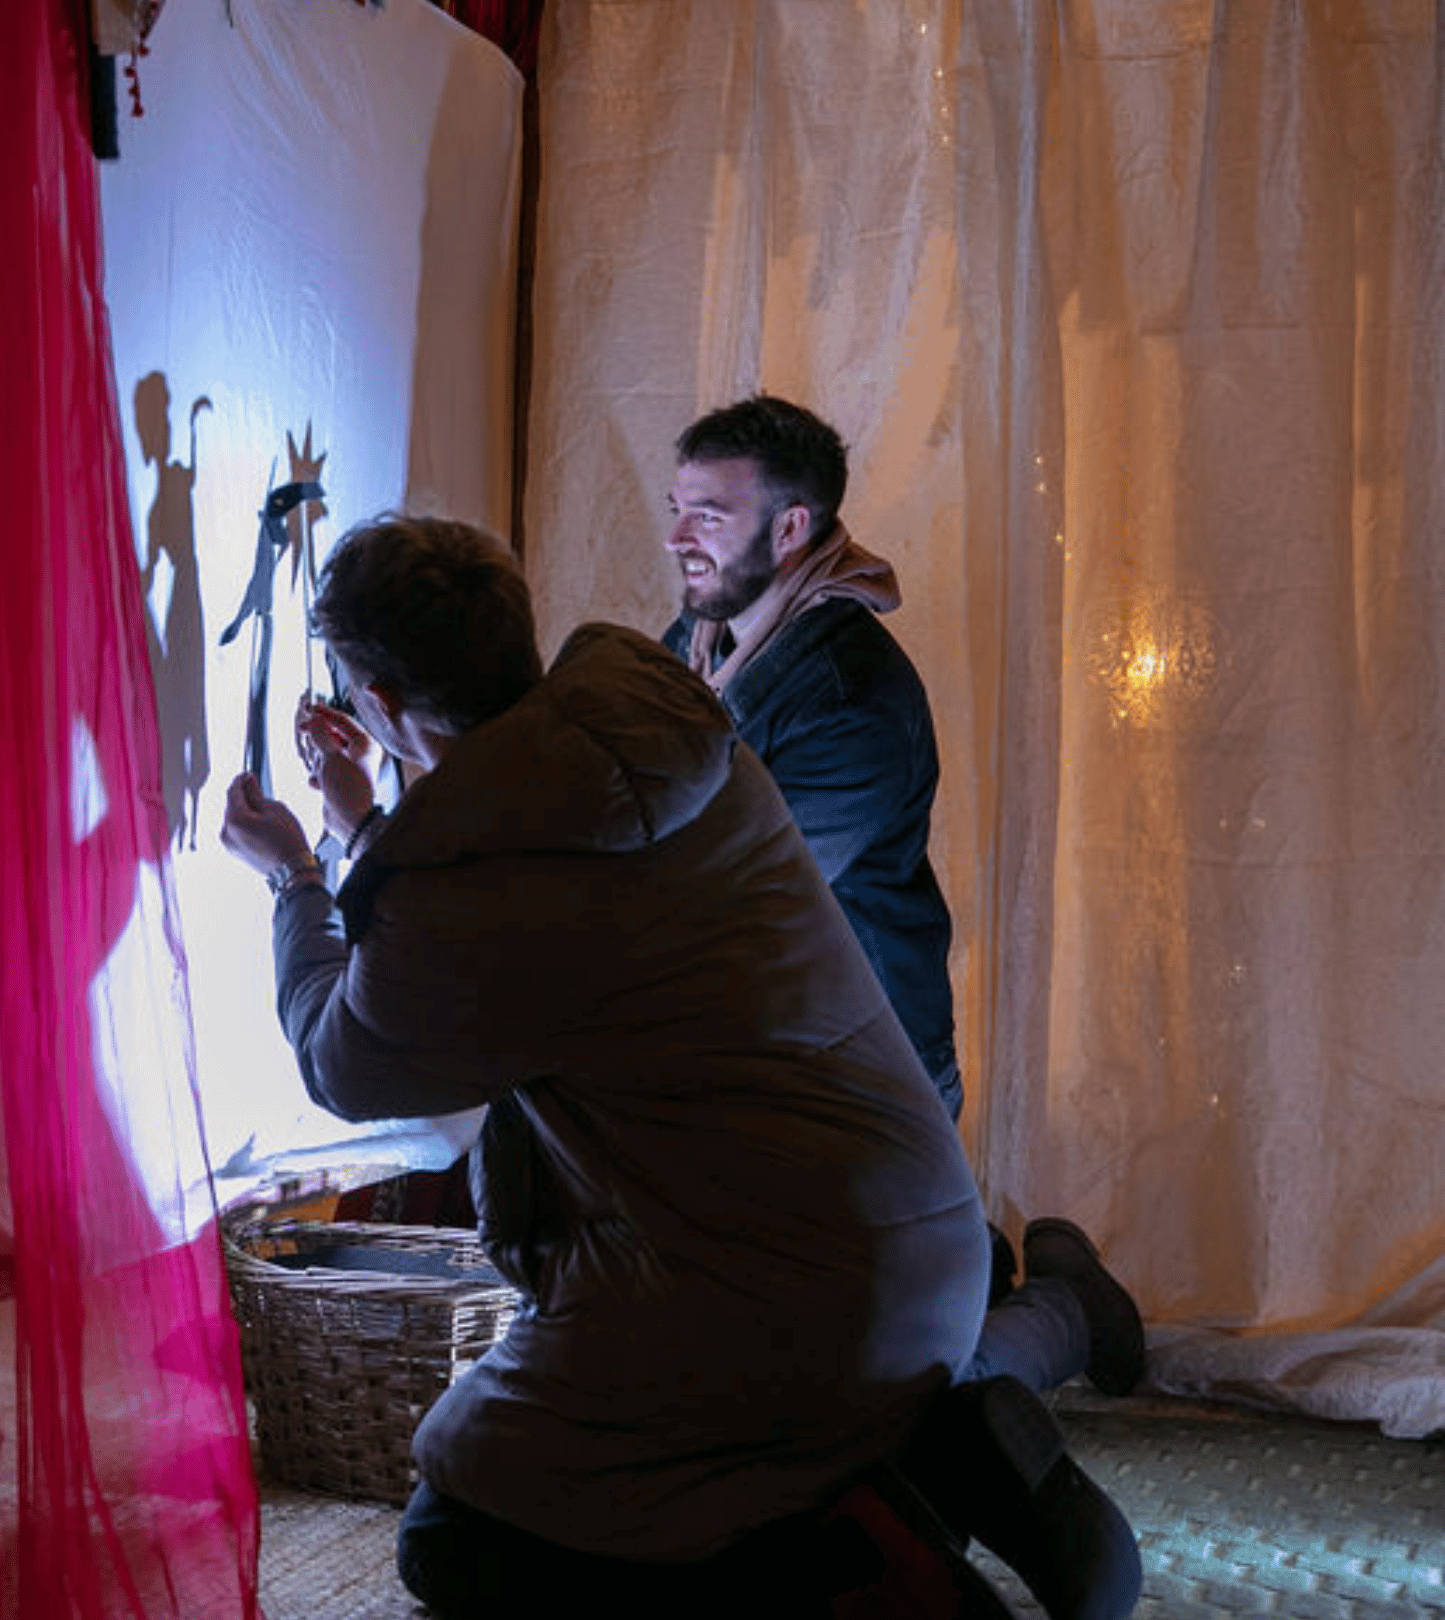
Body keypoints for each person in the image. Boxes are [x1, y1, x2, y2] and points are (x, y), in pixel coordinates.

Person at [220, 515, 1139, 1618]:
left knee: (460, 1533)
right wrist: (367, 824)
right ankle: (939, 1428)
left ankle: (870, 1572)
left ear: (376, 705)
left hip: (774, 1299)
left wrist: (294, 880)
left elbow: (346, 1056)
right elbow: (512, 915)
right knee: (773, 1406)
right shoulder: (659, 725)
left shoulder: (483, 889)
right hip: (927, 1230)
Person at [658, 394, 1145, 1401]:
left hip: (863, 1067)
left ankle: (1064, 1313)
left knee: (891, 1390)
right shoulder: (691, 645)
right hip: (751, 1055)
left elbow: (729, 894)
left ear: (790, 528)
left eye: (707, 512)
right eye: (677, 507)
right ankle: (975, 1263)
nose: (677, 537)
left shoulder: (849, 694)